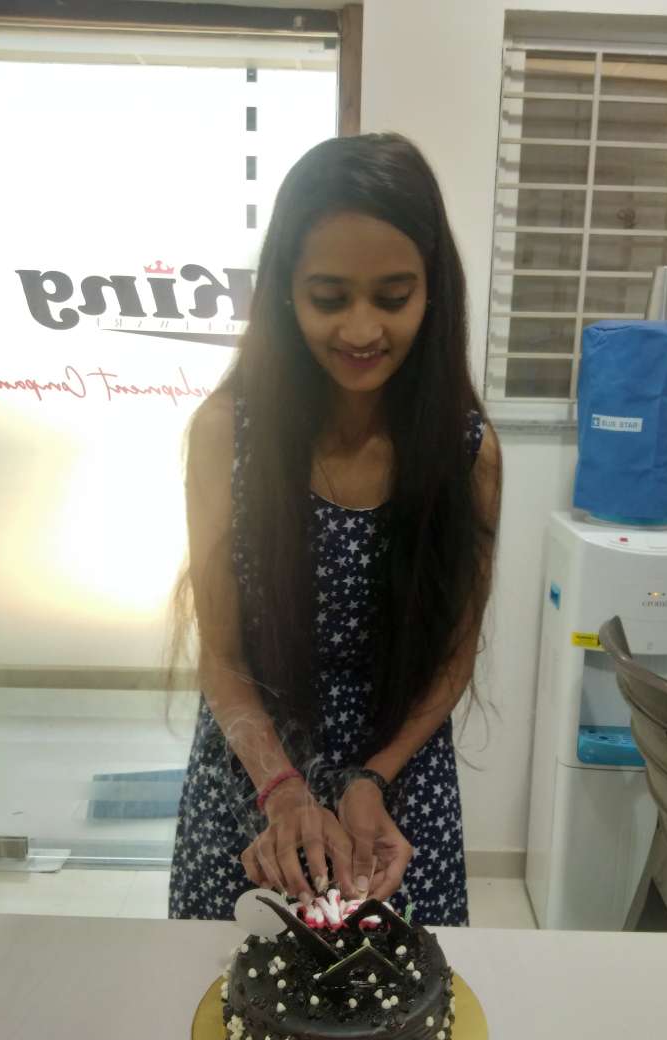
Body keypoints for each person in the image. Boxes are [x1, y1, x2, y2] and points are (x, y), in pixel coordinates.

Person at [169, 133, 501, 928]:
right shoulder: (228, 434)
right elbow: (222, 654)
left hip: (394, 797)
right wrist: (283, 790)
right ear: (287, 292)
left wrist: (373, 777)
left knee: (404, 999)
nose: (360, 330)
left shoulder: (467, 454)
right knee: (235, 996)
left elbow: (454, 656)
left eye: (393, 297)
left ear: (433, 293)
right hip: (256, 785)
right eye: (329, 297)